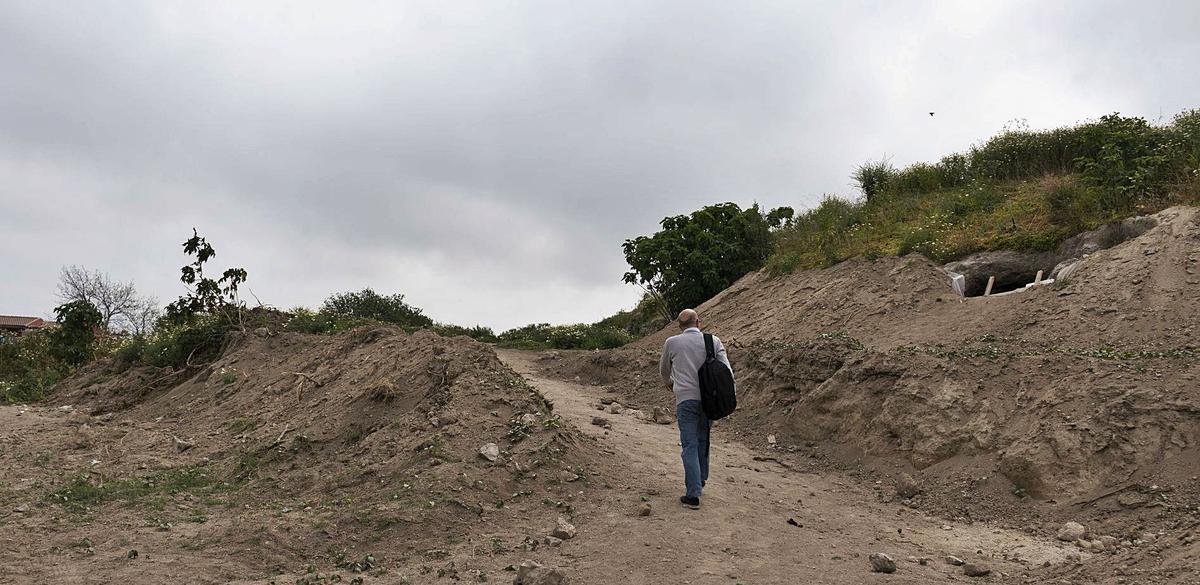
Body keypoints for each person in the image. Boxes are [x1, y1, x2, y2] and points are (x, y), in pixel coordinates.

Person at [658, 308, 733, 509]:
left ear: (680, 326)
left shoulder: (671, 342)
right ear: (698, 321)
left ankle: (692, 495)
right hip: (709, 400)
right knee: (703, 440)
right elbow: (727, 371)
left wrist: (671, 383)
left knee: (689, 445)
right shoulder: (713, 341)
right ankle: (700, 479)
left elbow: (664, 370)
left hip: (685, 400)